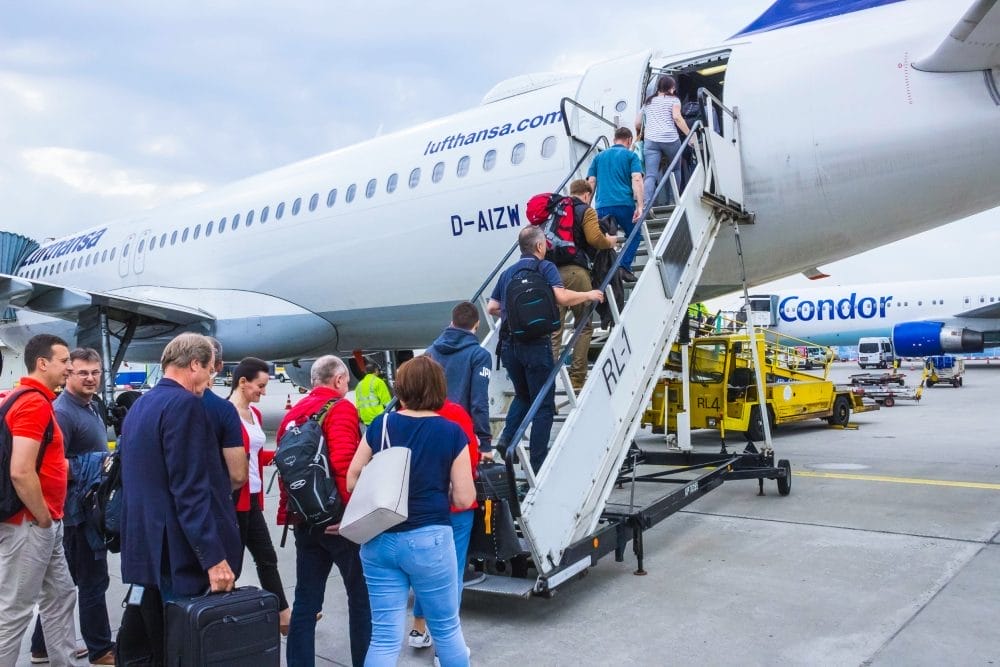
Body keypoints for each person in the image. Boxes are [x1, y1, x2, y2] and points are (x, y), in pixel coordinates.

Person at [117, 333, 241, 663]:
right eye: (211, 371)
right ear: (195, 365)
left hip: (146, 548)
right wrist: (214, 558)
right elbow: (189, 490)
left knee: (160, 645)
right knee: (185, 648)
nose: (210, 380)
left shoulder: (141, 403)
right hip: (177, 552)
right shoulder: (184, 405)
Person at [347, 356, 476, 667]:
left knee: (384, 636)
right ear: (438, 389)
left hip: (380, 537)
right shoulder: (451, 432)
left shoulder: (382, 424)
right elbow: (463, 497)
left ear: (400, 389)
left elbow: (352, 480)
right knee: (446, 630)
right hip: (429, 538)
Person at [277, 355, 370, 667]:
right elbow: (344, 465)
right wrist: (350, 516)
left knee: (305, 601)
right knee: (360, 599)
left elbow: (286, 474)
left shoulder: (293, 415)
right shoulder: (341, 408)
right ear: (340, 381)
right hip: (338, 523)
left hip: (305, 521)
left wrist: (290, 515)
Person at [488, 226, 604, 472]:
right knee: (543, 404)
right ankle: (539, 463)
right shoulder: (545, 267)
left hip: (510, 345)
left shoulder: (507, 273)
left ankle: (507, 438)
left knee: (523, 395)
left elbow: (491, 307)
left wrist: (514, 315)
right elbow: (561, 298)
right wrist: (588, 294)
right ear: (540, 247)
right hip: (536, 345)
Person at [29, 348, 115, 665]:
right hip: (76, 515)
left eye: (95, 372)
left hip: (86, 510)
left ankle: (41, 647)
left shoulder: (92, 406)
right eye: (82, 372)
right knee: (93, 581)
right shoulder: (63, 411)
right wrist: (97, 465)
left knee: (67, 584)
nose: (90, 378)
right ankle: (101, 649)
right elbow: (52, 464)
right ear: (69, 374)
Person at [0, 334, 77, 667]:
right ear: (42, 363)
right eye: (64, 361)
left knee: (61, 596)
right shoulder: (33, 403)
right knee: (14, 612)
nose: (70, 368)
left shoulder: (26, 398)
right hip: (31, 524)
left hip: (43, 522)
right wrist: (43, 518)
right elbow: (20, 471)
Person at [406, 398, 480, 653]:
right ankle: (445, 646)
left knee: (423, 570)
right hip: (454, 508)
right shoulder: (454, 413)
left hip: (417, 507)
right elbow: (471, 457)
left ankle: (418, 628)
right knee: (452, 573)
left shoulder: (401, 415)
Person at [227, 357, 291, 633]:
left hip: (252, 498)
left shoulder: (255, 414)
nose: (263, 392)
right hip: (233, 499)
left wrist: (280, 457)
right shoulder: (226, 414)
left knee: (267, 557)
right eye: (260, 386)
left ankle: (283, 614)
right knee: (233, 565)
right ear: (242, 382)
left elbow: (253, 454)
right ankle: (220, 618)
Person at [549, 179, 617, 391]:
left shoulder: (557, 210)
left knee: (555, 329)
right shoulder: (585, 211)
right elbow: (594, 238)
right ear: (587, 194)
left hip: (553, 275)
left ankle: (547, 379)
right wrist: (611, 241)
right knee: (583, 326)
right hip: (577, 273)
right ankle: (577, 378)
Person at [426, 301, 494, 460]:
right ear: (477, 324)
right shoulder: (479, 356)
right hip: (461, 434)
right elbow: (479, 402)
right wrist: (485, 443)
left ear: (452, 322)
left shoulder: (430, 352)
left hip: (430, 430)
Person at [587, 126, 644, 282]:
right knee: (635, 235)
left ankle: (603, 273)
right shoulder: (631, 156)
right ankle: (623, 267)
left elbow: (591, 182)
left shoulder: (598, 157)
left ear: (614, 140)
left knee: (605, 239)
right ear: (629, 140)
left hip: (602, 206)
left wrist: (586, 206)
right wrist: (640, 206)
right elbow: (637, 179)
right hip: (624, 204)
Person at [641, 74, 692, 213]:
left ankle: (646, 206)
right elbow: (677, 117)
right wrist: (690, 135)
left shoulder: (648, 102)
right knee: (675, 169)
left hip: (650, 140)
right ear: (670, 88)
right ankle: (673, 200)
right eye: (673, 87)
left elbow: (638, 122)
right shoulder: (674, 100)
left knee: (650, 175)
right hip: (669, 138)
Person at [205, 337, 249, 493]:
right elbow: (238, 476)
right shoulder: (223, 409)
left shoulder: (145, 403)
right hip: (213, 503)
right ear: (219, 366)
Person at [355, 361, 391, 428]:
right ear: (376, 370)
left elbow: (358, 405)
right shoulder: (378, 382)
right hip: (378, 418)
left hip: (366, 419)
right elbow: (388, 403)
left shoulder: (359, 385)